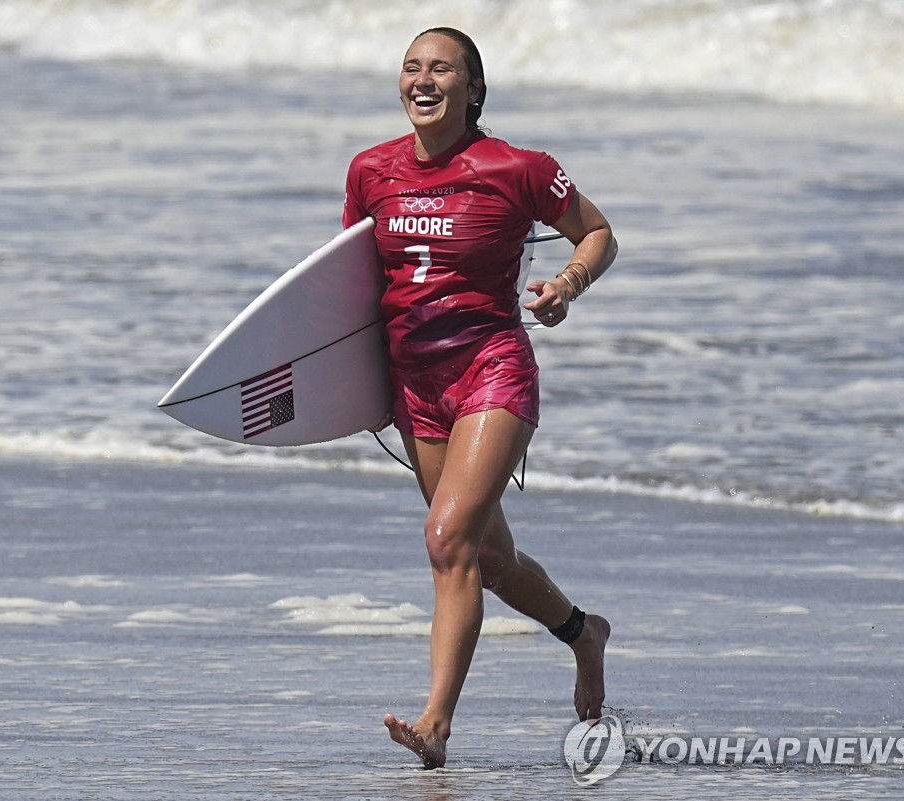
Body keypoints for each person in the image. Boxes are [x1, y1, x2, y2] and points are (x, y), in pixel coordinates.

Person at [341, 27, 617, 769]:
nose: (422, 80)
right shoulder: (370, 171)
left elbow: (596, 233)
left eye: (441, 70)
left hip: (491, 370)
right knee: (488, 558)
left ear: (474, 90)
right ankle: (582, 631)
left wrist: (566, 285)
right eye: (410, 68)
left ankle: (436, 721)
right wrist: (359, 390)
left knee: (445, 542)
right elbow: (350, 293)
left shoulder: (517, 169)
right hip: (414, 388)